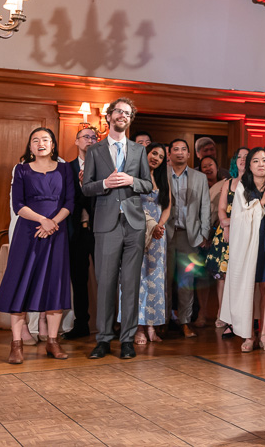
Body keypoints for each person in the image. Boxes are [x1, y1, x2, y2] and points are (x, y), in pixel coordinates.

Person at [0, 127, 74, 364]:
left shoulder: (65, 168)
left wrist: (53, 223)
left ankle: (52, 342)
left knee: (54, 284)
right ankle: (16, 344)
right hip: (28, 231)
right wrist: (42, 220)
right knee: (22, 283)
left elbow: (69, 202)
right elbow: (18, 204)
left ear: (53, 144)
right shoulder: (22, 170)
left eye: (45, 140)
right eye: (35, 140)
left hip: (56, 233)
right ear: (29, 147)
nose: (40, 143)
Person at [82, 98, 153, 360]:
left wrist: (133, 180)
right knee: (106, 283)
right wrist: (105, 183)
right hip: (106, 224)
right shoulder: (95, 150)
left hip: (134, 224)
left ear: (130, 119)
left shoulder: (138, 150)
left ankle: (127, 339)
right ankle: (103, 339)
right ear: (109, 116)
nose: (122, 116)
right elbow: (86, 187)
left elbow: (148, 185)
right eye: (118, 112)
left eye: (127, 113)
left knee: (131, 283)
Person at [218, 147, 265, 353]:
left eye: (264, 160)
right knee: (248, 287)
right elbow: (238, 219)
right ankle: (248, 335)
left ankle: (263, 334)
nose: (261, 164)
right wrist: (260, 203)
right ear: (249, 165)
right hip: (248, 244)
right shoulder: (243, 186)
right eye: (256, 161)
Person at [165, 139, 211, 337]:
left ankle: (185, 321)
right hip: (165, 234)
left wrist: (204, 234)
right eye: (176, 149)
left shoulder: (199, 177)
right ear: (169, 154)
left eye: (184, 149)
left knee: (186, 281)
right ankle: (162, 321)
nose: (180, 153)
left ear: (189, 154)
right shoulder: (161, 173)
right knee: (164, 280)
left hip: (189, 235)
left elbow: (206, 207)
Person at [205, 146, 248, 335]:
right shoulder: (228, 183)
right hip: (225, 233)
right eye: (240, 157)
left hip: (245, 232)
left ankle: (239, 316)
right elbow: (221, 208)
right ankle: (222, 314)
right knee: (221, 277)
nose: (243, 160)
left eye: (248, 157)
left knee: (240, 276)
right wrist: (225, 223)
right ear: (234, 160)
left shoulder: (253, 183)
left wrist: (232, 222)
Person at [131, 142, 171, 345]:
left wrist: (159, 226)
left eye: (161, 156)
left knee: (155, 281)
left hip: (158, 236)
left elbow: (167, 206)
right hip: (137, 232)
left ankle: (152, 327)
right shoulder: (134, 174)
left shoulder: (163, 178)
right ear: (145, 154)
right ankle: (137, 328)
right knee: (138, 281)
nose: (156, 158)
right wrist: (149, 225)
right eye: (154, 153)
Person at [64, 125, 98, 340]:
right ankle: (81, 324)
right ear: (76, 141)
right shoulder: (67, 169)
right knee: (78, 279)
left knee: (106, 279)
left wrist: (90, 184)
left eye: (94, 137)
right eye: (86, 137)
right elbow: (66, 200)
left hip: (100, 229)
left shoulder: (105, 168)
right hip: (76, 230)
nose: (90, 140)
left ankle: (107, 324)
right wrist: (79, 183)